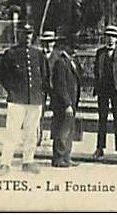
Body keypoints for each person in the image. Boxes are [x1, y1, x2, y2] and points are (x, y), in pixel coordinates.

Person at [0, 24, 47, 175]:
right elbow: (3, 76)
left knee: (31, 132)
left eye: (30, 34)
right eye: (25, 34)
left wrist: (41, 94)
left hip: (35, 99)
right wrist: (12, 91)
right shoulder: (11, 54)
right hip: (17, 99)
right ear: (19, 35)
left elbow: (45, 76)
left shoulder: (38, 54)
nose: (27, 37)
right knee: (12, 132)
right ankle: (5, 163)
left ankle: (28, 161)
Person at [93, 25, 117, 161]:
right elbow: (96, 70)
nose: (110, 39)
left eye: (113, 37)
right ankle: (99, 148)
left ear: (116, 39)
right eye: (108, 36)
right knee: (102, 119)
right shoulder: (100, 52)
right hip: (103, 90)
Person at [47, 33, 81, 168]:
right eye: (73, 48)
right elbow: (60, 85)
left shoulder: (72, 61)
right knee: (61, 130)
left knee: (69, 130)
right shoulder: (61, 63)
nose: (76, 50)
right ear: (66, 48)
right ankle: (58, 158)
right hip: (63, 104)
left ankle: (66, 157)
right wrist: (67, 104)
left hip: (71, 102)